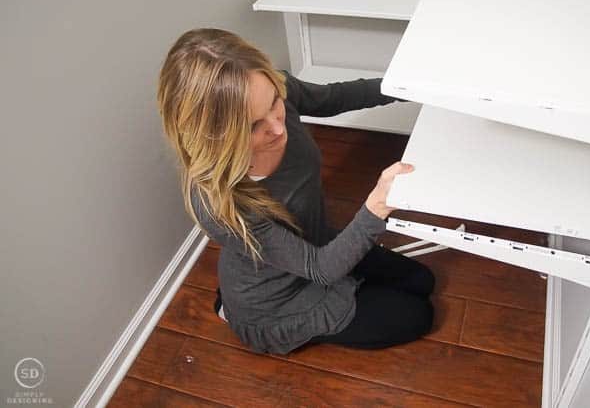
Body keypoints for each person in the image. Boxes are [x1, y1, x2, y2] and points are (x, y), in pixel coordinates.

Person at [156, 28, 435, 355]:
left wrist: (402, 87)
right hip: (276, 299)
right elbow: (321, 269)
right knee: (419, 316)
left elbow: (333, 98)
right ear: (214, 136)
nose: (278, 127)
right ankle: (236, 311)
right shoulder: (216, 200)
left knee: (421, 282)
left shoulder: (270, 88)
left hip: (311, 243)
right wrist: (376, 205)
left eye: (275, 102)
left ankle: (240, 293)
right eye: (253, 126)